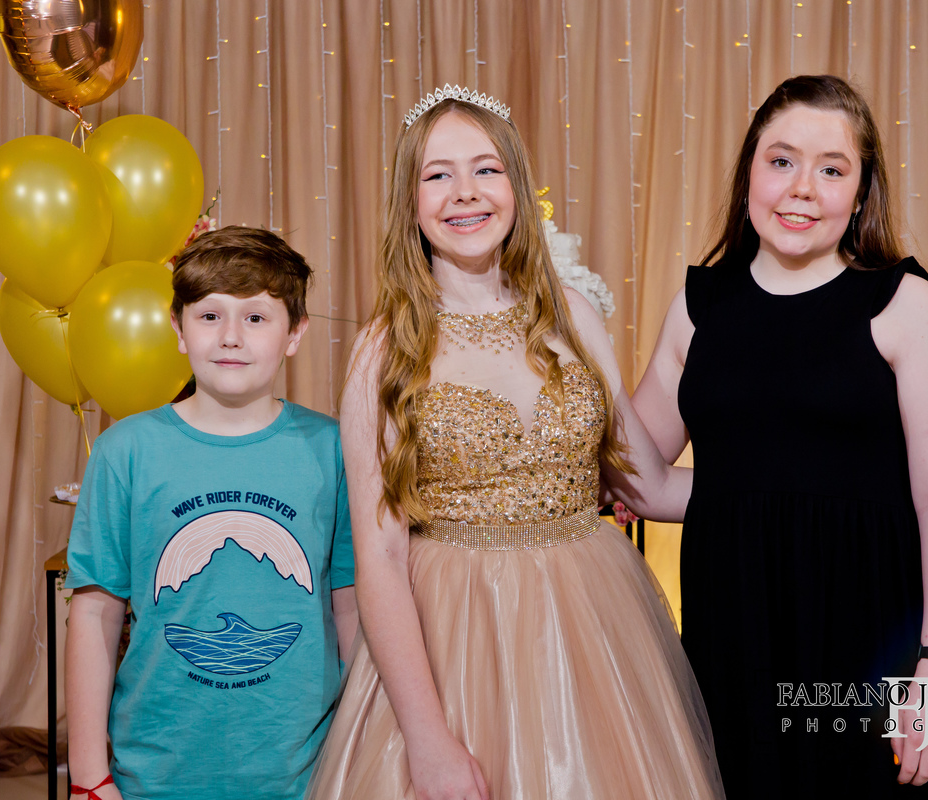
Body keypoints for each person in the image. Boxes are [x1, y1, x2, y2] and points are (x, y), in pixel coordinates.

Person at [305, 87, 724, 800]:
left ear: (517, 187)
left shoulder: (572, 315)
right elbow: (380, 558)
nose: (465, 192)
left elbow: (647, 482)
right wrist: (427, 740)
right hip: (454, 635)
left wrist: (794, 489)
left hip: (592, 626)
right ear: (410, 201)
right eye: (438, 174)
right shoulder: (385, 351)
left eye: (486, 169)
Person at [627, 75, 928, 798]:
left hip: (871, 644)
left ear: (861, 192)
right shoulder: (698, 308)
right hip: (734, 638)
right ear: (749, 173)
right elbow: (644, 482)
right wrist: (579, 347)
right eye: (782, 161)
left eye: (832, 169)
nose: (802, 189)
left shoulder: (904, 304)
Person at [64, 227, 357, 800]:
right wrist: (87, 777)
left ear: (295, 332)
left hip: (307, 774)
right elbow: (95, 612)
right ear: (178, 328)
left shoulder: (333, 449)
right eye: (209, 316)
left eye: (256, 318)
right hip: (155, 772)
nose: (230, 337)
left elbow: (351, 608)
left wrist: (361, 749)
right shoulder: (125, 451)